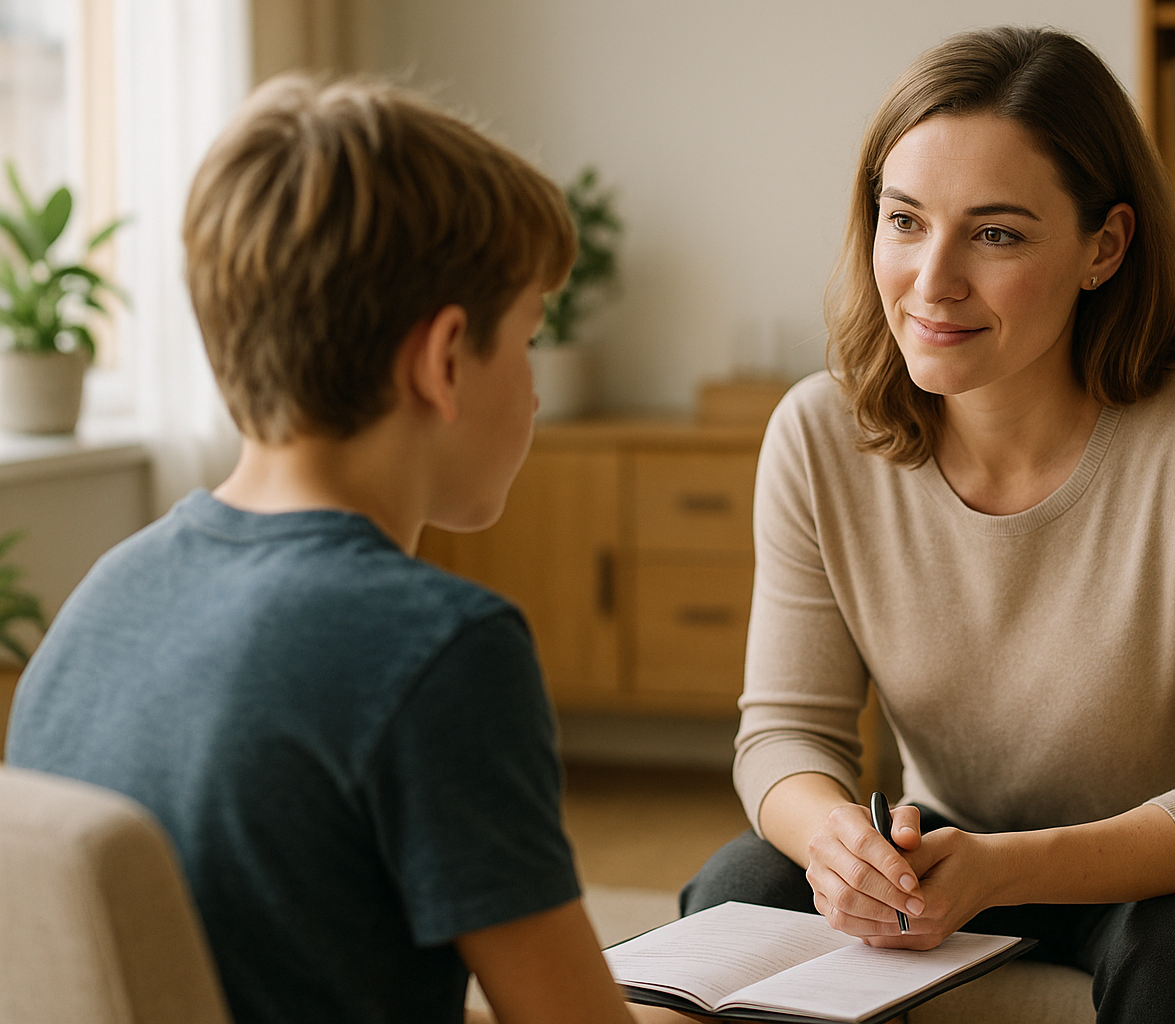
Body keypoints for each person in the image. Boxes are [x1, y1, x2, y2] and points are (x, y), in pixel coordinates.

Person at [681, 26, 1175, 1024]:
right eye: (905, 221)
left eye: (997, 234)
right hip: (958, 843)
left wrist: (1001, 872)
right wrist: (834, 840)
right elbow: (784, 735)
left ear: (1104, 247)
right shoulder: (819, 433)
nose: (932, 281)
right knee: (736, 892)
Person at [6, 76, 686, 1024]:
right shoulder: (441, 646)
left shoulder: (102, 600)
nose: (533, 392)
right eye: (528, 339)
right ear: (444, 359)